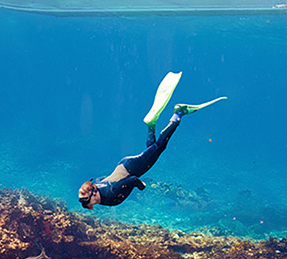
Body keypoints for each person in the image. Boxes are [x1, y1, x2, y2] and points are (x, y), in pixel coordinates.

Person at [78, 72, 225, 210]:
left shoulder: (110, 193)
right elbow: (100, 178)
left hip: (134, 169)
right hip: (126, 164)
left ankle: (178, 114)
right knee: (152, 149)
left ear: (94, 194)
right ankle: (151, 125)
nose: (85, 205)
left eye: (85, 201)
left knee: (159, 147)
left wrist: (142, 186)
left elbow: (133, 180)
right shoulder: (99, 187)